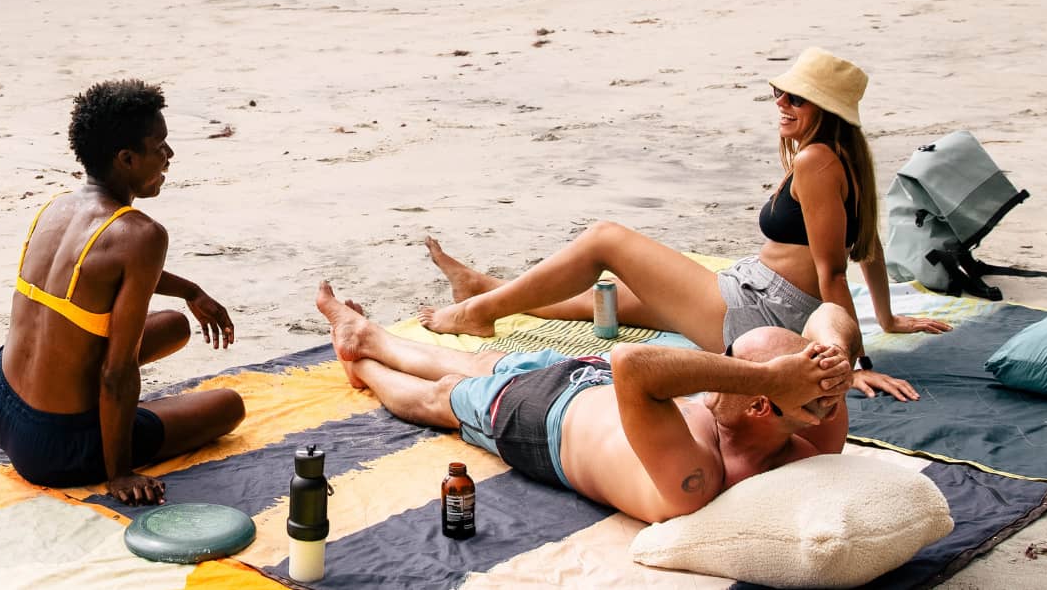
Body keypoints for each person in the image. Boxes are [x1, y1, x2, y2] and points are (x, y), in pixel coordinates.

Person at [419, 47, 949, 401]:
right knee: (610, 301)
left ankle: (478, 311)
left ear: (825, 109)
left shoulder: (816, 162)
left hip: (762, 309)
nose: (782, 105)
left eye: (796, 99)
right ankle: (487, 289)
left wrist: (850, 363)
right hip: (759, 293)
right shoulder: (843, 157)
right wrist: (890, 318)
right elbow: (871, 247)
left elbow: (835, 272)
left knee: (606, 239)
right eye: (780, 94)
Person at [319, 282, 856, 522]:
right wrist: (828, 359)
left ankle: (361, 362)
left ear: (764, 405)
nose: (724, 361)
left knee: (443, 398)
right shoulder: (810, 423)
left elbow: (635, 367)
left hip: (542, 422)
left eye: (736, 365)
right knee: (484, 361)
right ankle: (370, 337)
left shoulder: (700, 478)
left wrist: (772, 375)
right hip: (591, 380)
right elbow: (831, 309)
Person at [0, 79, 245, 505]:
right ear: (126, 159)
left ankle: (76, 404)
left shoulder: (57, 208)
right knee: (229, 406)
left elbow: (107, 270)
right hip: (51, 448)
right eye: (160, 147)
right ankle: (105, 439)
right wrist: (119, 473)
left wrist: (190, 291)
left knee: (175, 326)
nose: (169, 157)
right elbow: (117, 374)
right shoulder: (142, 234)